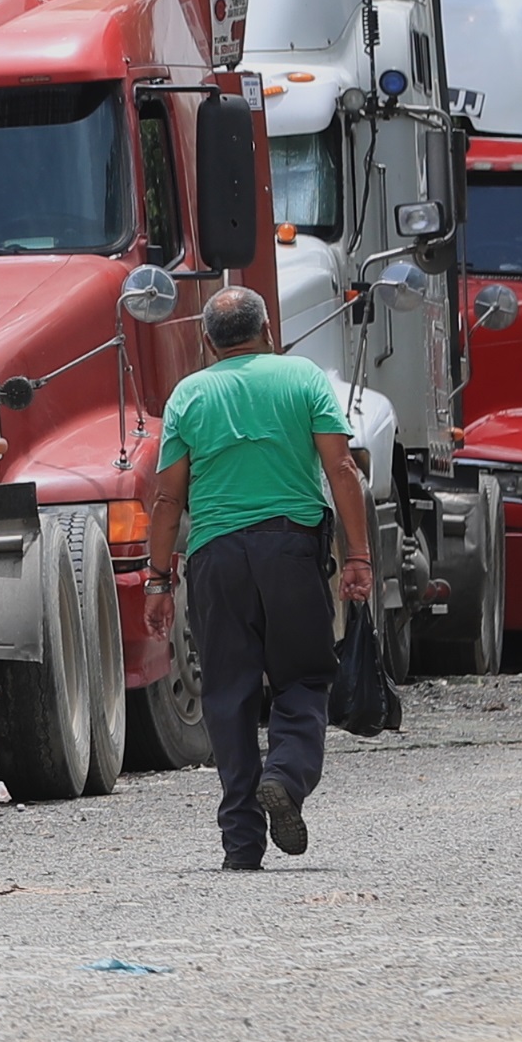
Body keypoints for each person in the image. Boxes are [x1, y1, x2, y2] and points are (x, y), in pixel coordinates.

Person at [139, 286, 377, 871]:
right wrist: (359, 556)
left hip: (216, 558)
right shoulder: (303, 379)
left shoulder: (188, 395)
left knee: (229, 693)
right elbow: (341, 467)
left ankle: (241, 844)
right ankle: (286, 777)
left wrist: (158, 580)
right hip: (291, 551)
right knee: (301, 678)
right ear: (269, 330)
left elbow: (168, 497)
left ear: (206, 341)